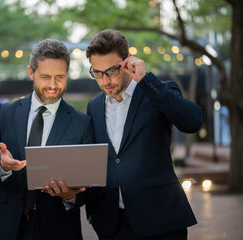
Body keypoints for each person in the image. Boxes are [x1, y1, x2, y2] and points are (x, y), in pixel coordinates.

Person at [85, 29, 203, 240]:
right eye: (97, 72)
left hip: (161, 221)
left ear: (127, 61)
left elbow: (193, 121)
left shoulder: (156, 91)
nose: (105, 80)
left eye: (111, 71)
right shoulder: (93, 106)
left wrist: (147, 80)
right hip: (113, 226)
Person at [0, 39, 93, 240]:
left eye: (59, 77)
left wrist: (71, 196)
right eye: (45, 77)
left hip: (60, 230)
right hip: (8, 228)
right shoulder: (5, 113)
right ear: (31, 72)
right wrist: (2, 166)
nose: (53, 85)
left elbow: (92, 187)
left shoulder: (83, 122)